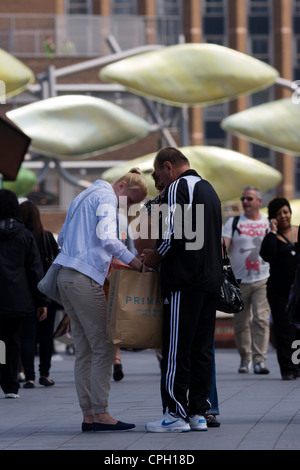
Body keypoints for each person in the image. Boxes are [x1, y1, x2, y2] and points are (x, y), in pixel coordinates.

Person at [55, 169, 148, 432]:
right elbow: (108, 238)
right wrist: (135, 262)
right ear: (121, 186)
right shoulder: (107, 198)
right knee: (105, 346)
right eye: (131, 200)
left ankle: (90, 415)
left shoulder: (82, 196)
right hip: (85, 278)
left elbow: (62, 238)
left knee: (84, 350)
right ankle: (101, 413)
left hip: (66, 276)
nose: (129, 207)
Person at [142, 147, 223, 432]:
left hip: (185, 281)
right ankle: (198, 413)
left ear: (168, 166)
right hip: (209, 281)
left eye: (157, 174)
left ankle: (174, 414)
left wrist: (154, 256)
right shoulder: (209, 189)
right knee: (202, 350)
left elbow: (175, 231)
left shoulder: (179, 186)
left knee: (177, 350)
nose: (158, 182)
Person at [0, 189, 48, 399]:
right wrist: (41, 301)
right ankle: (10, 385)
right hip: (19, 298)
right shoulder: (24, 234)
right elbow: (34, 270)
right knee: (12, 341)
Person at [222, 186, 270, 375]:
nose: (245, 202)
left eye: (249, 199)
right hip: (239, 280)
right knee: (241, 322)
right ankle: (245, 358)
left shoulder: (268, 222)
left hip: (263, 278)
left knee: (261, 319)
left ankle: (259, 360)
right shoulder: (233, 223)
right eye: (243, 199)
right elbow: (224, 245)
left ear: (259, 201)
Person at [19, 200, 60, 389]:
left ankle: (29, 376)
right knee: (46, 336)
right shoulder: (46, 237)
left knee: (26, 337)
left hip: (23, 295)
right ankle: (45, 374)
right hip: (47, 294)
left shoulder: (18, 238)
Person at [260, 197, 300, 380]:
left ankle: (298, 365)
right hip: (279, 292)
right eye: (279, 214)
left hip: (297, 292)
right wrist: (272, 231)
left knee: (298, 330)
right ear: (273, 218)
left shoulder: (298, 231)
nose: (284, 216)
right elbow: (267, 255)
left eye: (286, 212)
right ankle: (288, 369)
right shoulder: (272, 238)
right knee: (285, 330)